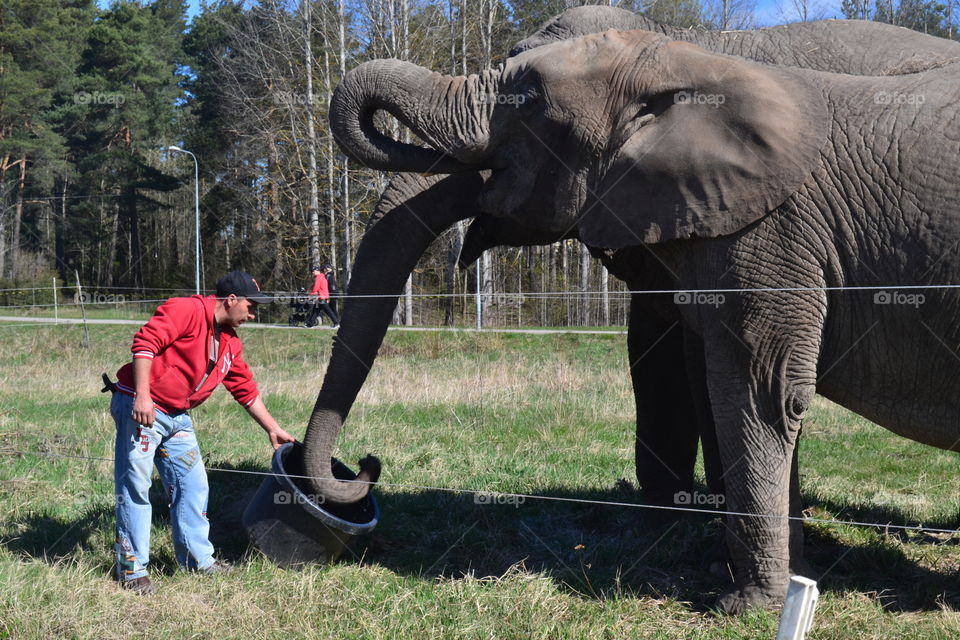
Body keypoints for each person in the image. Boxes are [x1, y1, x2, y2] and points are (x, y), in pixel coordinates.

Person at [106, 271, 296, 594]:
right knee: (135, 486)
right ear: (231, 299)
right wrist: (142, 395)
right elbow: (144, 343)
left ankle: (197, 560)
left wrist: (273, 429)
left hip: (176, 417)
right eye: (251, 306)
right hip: (142, 408)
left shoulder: (230, 343)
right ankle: (131, 570)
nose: (253, 314)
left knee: (193, 484)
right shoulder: (186, 310)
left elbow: (245, 389)